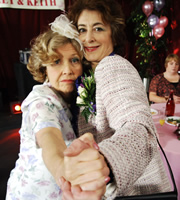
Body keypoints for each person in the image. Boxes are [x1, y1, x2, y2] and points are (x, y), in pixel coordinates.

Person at [59, 0, 172, 199]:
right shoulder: (86, 75)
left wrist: (106, 161)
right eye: (82, 29)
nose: (88, 38)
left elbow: (138, 127)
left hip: (135, 190)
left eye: (98, 28)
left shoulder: (113, 66)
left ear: (113, 33)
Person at [5, 14, 110, 200]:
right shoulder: (41, 101)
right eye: (56, 62)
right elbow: (49, 139)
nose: (68, 70)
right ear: (44, 68)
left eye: (74, 60)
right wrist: (65, 170)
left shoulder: (75, 98)